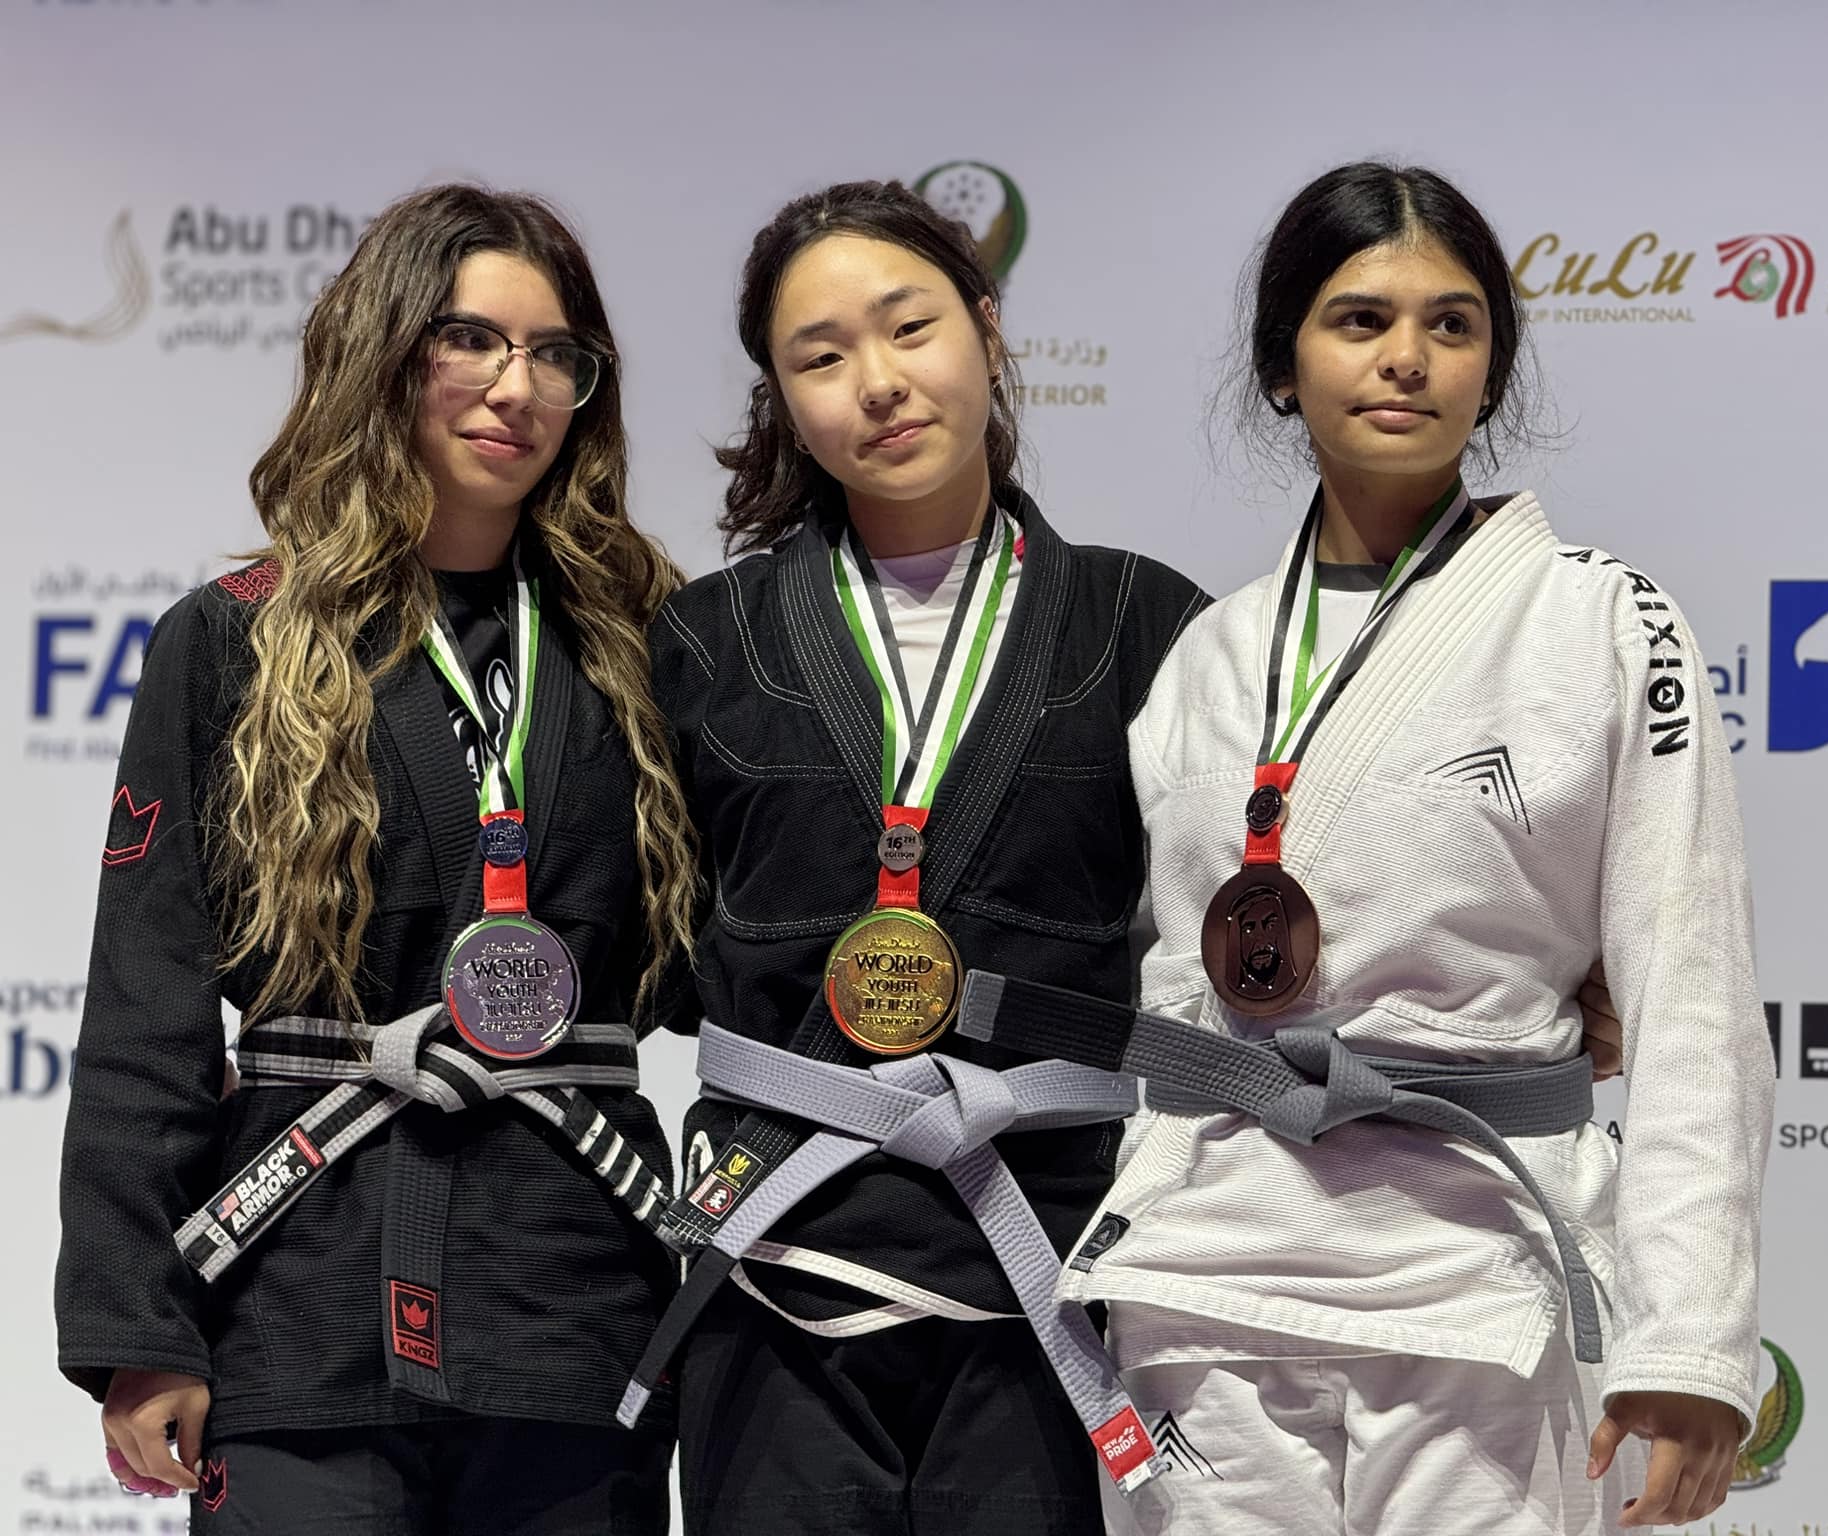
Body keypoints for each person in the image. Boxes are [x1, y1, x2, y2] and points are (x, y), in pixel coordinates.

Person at [990, 162, 1775, 1535]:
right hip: (1206, 1276)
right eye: (1360, 320)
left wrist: (1692, 1336)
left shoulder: (1605, 622)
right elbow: (1161, 970)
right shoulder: (1212, 653)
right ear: (1281, 365)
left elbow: (1693, 990)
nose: (1407, 356)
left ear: (1492, 370)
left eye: (1451, 324)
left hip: (1476, 1282)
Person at [56, 184, 697, 1535]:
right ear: (383, 352)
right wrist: (138, 1328)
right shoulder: (232, 641)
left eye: (555, 355)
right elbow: (144, 1013)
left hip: (570, 1301)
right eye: (470, 340)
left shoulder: (649, 645)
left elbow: (713, 960)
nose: (516, 388)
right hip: (305, 1300)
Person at [639, 179, 1210, 1536]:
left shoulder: (1146, 623)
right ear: (783, 401)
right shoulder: (707, 640)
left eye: (911, 329)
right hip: (772, 1264)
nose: (879, 382)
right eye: (822, 357)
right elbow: (639, 951)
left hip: (1048, 1265)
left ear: (990, 333)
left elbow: (1255, 912)